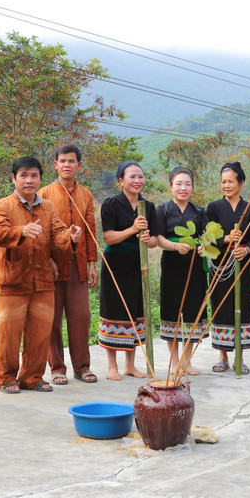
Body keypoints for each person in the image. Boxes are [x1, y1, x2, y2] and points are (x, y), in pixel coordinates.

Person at [0, 156, 83, 393]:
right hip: (12, 279)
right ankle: (6, 378)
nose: (29, 180)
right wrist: (22, 231)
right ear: (14, 178)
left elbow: (58, 233)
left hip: (42, 279)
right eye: (24, 175)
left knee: (40, 332)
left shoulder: (48, 207)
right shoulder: (1, 205)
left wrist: (71, 236)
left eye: (34, 175)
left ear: (40, 179)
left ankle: (32, 377)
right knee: (8, 333)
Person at [38, 144, 99, 386]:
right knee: (52, 320)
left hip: (79, 264)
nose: (66, 165)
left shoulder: (86, 194)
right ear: (55, 164)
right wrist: (48, 259)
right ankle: (57, 368)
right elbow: (41, 233)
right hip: (52, 265)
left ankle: (82, 368)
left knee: (80, 317)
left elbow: (92, 230)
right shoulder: (44, 193)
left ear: (79, 165)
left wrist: (92, 264)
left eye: (71, 161)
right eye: (62, 161)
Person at [98, 161, 158, 381]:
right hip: (115, 262)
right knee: (114, 310)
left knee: (135, 310)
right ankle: (111, 366)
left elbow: (153, 241)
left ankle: (130, 365)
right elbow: (109, 237)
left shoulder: (149, 207)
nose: (137, 181)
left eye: (140, 176)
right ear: (121, 181)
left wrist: (147, 239)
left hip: (138, 263)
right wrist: (132, 229)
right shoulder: (111, 204)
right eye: (132, 177)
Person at [206, 161, 250, 374]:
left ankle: (240, 357)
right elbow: (207, 236)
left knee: (242, 306)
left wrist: (246, 251)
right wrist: (226, 238)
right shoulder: (213, 207)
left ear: (241, 183)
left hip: (242, 264)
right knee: (220, 306)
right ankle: (222, 356)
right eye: (223, 182)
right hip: (220, 265)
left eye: (231, 181)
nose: (226, 185)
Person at [155, 166, 208, 377]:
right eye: (178, 183)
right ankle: (174, 360)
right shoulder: (162, 210)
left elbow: (205, 237)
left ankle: (188, 360)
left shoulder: (199, 212)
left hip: (194, 265)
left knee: (192, 309)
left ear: (193, 187)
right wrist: (176, 246)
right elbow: (158, 238)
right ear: (170, 186)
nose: (183, 188)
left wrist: (204, 246)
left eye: (187, 184)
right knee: (172, 310)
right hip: (171, 263)